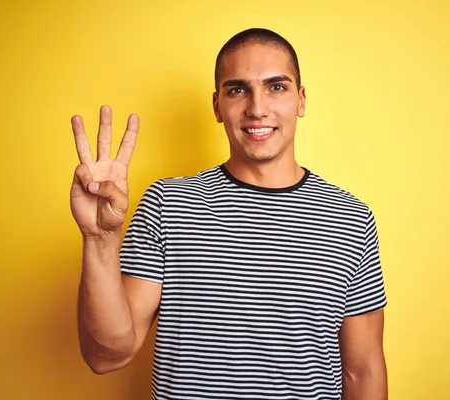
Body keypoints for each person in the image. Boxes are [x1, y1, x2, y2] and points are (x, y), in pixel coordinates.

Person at [70, 28, 388, 400]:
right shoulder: (168, 204)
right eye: (238, 89)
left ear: (301, 100)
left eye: (276, 87)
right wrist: (100, 240)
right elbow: (105, 355)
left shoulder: (350, 218)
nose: (257, 108)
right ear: (217, 105)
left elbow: (363, 370)